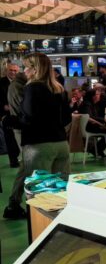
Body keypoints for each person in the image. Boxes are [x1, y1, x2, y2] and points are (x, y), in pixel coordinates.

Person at [2, 54, 71, 216]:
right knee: (60, 189)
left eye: (26, 67)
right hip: (61, 144)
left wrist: (7, 120)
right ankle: (59, 223)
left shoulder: (32, 88)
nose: (24, 71)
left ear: (35, 69)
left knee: (40, 193)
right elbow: (66, 118)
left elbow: (28, 119)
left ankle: (40, 226)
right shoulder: (59, 88)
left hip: (39, 145)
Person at [3, 71, 28, 219]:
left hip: (23, 128)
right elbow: (24, 108)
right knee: (26, 165)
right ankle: (13, 204)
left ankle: (14, 204)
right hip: (23, 129)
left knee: (26, 165)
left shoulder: (19, 85)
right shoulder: (18, 86)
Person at [79, 89, 106, 157]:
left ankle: (97, 150)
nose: (99, 96)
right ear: (92, 96)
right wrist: (103, 121)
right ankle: (96, 150)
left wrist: (103, 122)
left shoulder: (92, 104)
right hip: (88, 128)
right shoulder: (87, 104)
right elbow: (89, 117)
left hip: (91, 126)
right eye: (97, 94)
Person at [0, 62, 21, 167]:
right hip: (7, 116)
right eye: (11, 70)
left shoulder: (22, 82)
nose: (13, 72)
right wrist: (3, 108)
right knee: (10, 139)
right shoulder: (1, 82)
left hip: (20, 115)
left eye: (15, 70)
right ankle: (13, 161)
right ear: (6, 71)